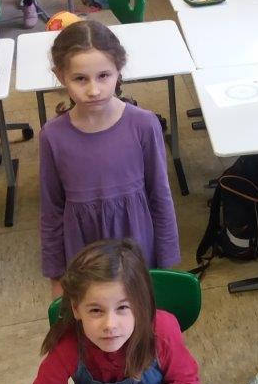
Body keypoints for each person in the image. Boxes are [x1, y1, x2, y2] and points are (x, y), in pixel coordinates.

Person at [20, 239, 200, 384]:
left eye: (122, 307)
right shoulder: (68, 346)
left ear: (140, 304)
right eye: (96, 310)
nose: (110, 325)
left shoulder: (162, 329)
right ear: (76, 309)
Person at [39, 20, 180, 296]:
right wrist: (56, 276)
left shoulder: (144, 125)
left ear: (119, 69)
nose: (94, 90)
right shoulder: (52, 136)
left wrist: (166, 264)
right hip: (84, 256)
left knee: (137, 313)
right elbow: (51, 211)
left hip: (137, 251)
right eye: (80, 79)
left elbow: (160, 197)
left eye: (103, 76)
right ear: (60, 76)